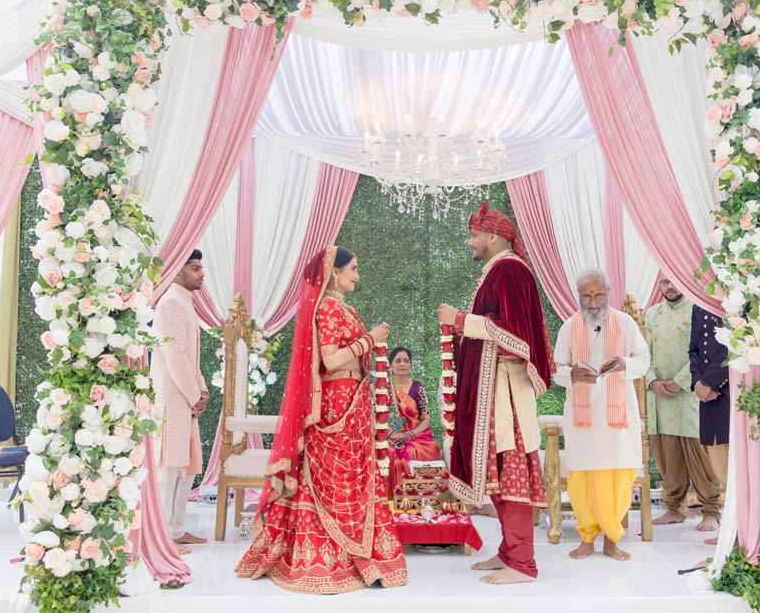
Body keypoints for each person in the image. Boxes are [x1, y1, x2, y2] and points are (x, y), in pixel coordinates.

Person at [235, 246, 407, 593]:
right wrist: (369, 340)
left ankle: (360, 560)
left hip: (352, 404)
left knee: (354, 481)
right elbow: (329, 361)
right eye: (353, 269)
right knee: (334, 483)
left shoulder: (343, 307)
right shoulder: (328, 307)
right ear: (334, 272)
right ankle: (326, 564)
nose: (357, 275)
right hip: (336, 407)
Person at [438, 202, 553, 585]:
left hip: (505, 395)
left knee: (511, 472)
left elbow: (517, 335)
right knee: (499, 476)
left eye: (474, 235)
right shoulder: (496, 272)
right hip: (492, 392)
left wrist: (460, 320)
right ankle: (508, 552)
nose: (470, 242)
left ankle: (523, 563)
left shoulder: (509, 270)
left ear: (493, 236)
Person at [553, 268, 650, 562]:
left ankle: (612, 539)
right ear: (578, 297)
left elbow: (643, 361)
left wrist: (624, 364)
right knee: (581, 479)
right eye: (586, 296)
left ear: (608, 294)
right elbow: (556, 369)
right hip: (583, 419)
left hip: (617, 419)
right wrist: (571, 373)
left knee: (619, 477)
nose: (593, 302)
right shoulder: (569, 327)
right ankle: (586, 538)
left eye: (598, 295)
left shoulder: (626, 323)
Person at [646, 275, 722, 532]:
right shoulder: (652, 314)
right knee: (668, 456)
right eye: (665, 282)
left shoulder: (698, 309)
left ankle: (711, 510)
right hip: (660, 397)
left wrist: (680, 381)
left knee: (699, 455)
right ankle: (673, 508)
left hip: (690, 395)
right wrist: (653, 381)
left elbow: (703, 352)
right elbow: (645, 353)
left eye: (674, 280)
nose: (670, 287)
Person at [151, 249, 210, 554]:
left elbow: (190, 358)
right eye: (196, 268)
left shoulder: (184, 303)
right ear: (177, 271)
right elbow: (174, 358)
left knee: (186, 466)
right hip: (172, 397)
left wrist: (201, 392)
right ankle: (163, 537)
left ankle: (175, 529)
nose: (201, 274)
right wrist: (193, 395)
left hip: (185, 397)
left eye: (201, 268)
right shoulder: (171, 304)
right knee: (171, 467)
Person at [386, 346, 441, 497]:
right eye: (398, 361)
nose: (402, 364)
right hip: (389, 437)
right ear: (391, 366)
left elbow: (425, 419)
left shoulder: (418, 388)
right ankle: (390, 499)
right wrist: (390, 433)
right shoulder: (382, 389)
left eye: (406, 361)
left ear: (410, 365)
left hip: (415, 435)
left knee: (416, 451)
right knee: (389, 453)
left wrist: (411, 434)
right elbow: (374, 417)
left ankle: (417, 499)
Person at [689, 305, 730, 493]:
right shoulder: (698, 305)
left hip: (729, 391)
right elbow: (694, 349)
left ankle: (741, 517)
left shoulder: (735, 300)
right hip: (707, 396)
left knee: (734, 458)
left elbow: (733, 348)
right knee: (717, 459)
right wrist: (698, 383)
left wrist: (709, 382)